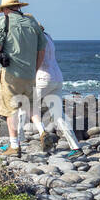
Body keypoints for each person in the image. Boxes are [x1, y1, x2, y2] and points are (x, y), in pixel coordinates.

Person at [0, 0, 45, 157]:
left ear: (5, 8)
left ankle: (14, 146)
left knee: (10, 109)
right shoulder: (32, 22)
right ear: (18, 6)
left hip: (11, 73)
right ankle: (42, 132)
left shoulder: (1, 22)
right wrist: (35, 69)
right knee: (31, 106)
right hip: (30, 72)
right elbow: (41, 49)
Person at [31, 26, 82, 158]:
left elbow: (36, 57)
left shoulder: (35, 38)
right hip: (57, 77)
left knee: (25, 106)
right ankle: (76, 147)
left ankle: (16, 144)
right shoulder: (48, 36)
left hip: (42, 77)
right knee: (59, 114)